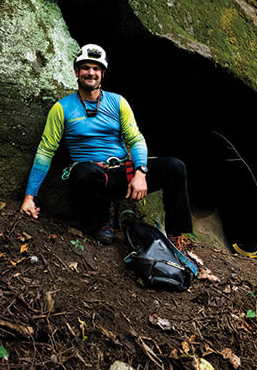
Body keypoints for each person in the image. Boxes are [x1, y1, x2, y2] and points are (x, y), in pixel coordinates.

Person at [20, 43, 193, 247]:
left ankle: (174, 236)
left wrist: (140, 172)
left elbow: (135, 139)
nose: (90, 73)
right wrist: (29, 197)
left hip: (122, 172)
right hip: (93, 177)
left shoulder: (118, 102)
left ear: (103, 73)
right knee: (84, 172)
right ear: (76, 72)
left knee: (175, 167)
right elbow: (45, 152)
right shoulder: (62, 108)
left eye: (96, 68)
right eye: (85, 67)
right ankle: (105, 217)